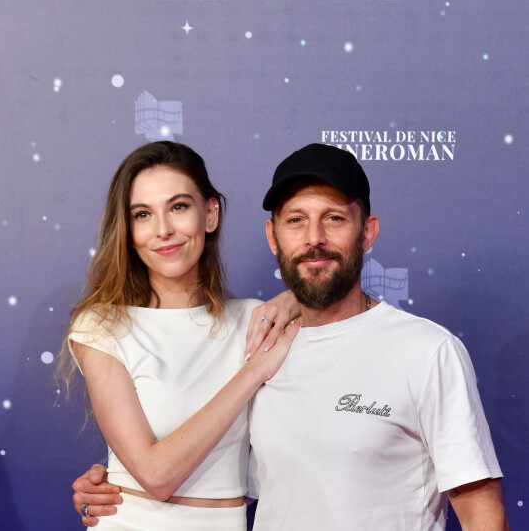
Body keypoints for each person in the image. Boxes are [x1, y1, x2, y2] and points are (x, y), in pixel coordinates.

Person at [73, 143, 509, 530]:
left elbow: (480, 510)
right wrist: (117, 480)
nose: (313, 238)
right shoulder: (265, 341)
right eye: (296, 221)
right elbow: (175, 471)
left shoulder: (421, 349)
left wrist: (294, 299)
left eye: (334, 218)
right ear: (273, 236)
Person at [58, 140, 300, 530]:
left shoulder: (256, 319)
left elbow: (348, 311)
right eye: (142, 214)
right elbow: (156, 476)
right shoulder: (101, 326)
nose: (164, 230)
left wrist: (297, 299)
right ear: (128, 231)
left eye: (179, 207)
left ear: (210, 213)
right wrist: (252, 373)